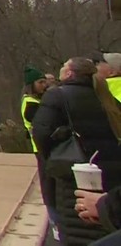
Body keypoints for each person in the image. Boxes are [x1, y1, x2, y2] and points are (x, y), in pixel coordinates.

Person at [32, 57, 121, 246]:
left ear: (70, 73)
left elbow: (41, 133)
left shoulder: (56, 96)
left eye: (64, 66)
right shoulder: (107, 97)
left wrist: (55, 158)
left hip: (74, 172)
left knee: (76, 226)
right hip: (111, 176)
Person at [24, 65, 61, 241]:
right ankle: (55, 223)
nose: (44, 85)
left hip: (48, 148)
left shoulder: (40, 100)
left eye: (45, 81)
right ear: (31, 85)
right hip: (41, 148)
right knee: (49, 187)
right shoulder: (31, 104)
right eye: (40, 82)